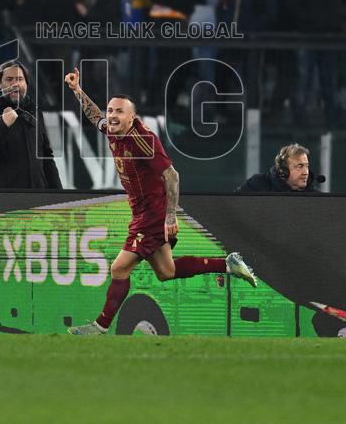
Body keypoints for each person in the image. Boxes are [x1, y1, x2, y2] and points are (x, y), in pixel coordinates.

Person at [62, 68, 258, 336]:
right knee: (167, 271)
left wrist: (170, 217)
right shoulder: (112, 129)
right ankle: (228, 264)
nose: (112, 115)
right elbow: (95, 116)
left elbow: (172, 175)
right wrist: (77, 89)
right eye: (110, 110)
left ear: (133, 117)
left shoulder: (142, 139)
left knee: (119, 268)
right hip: (141, 210)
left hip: (152, 213)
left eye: (119, 112)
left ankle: (100, 326)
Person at [0, 61, 62, 189]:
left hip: (37, 195)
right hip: (3, 197)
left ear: (26, 84)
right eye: (9, 79)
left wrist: (58, 193)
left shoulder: (35, 112)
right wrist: (3, 124)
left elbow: (47, 158)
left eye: (20, 79)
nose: (15, 84)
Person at [238, 143, 323, 192]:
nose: (306, 172)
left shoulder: (314, 195)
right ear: (283, 171)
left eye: (306, 166)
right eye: (299, 166)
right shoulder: (257, 184)